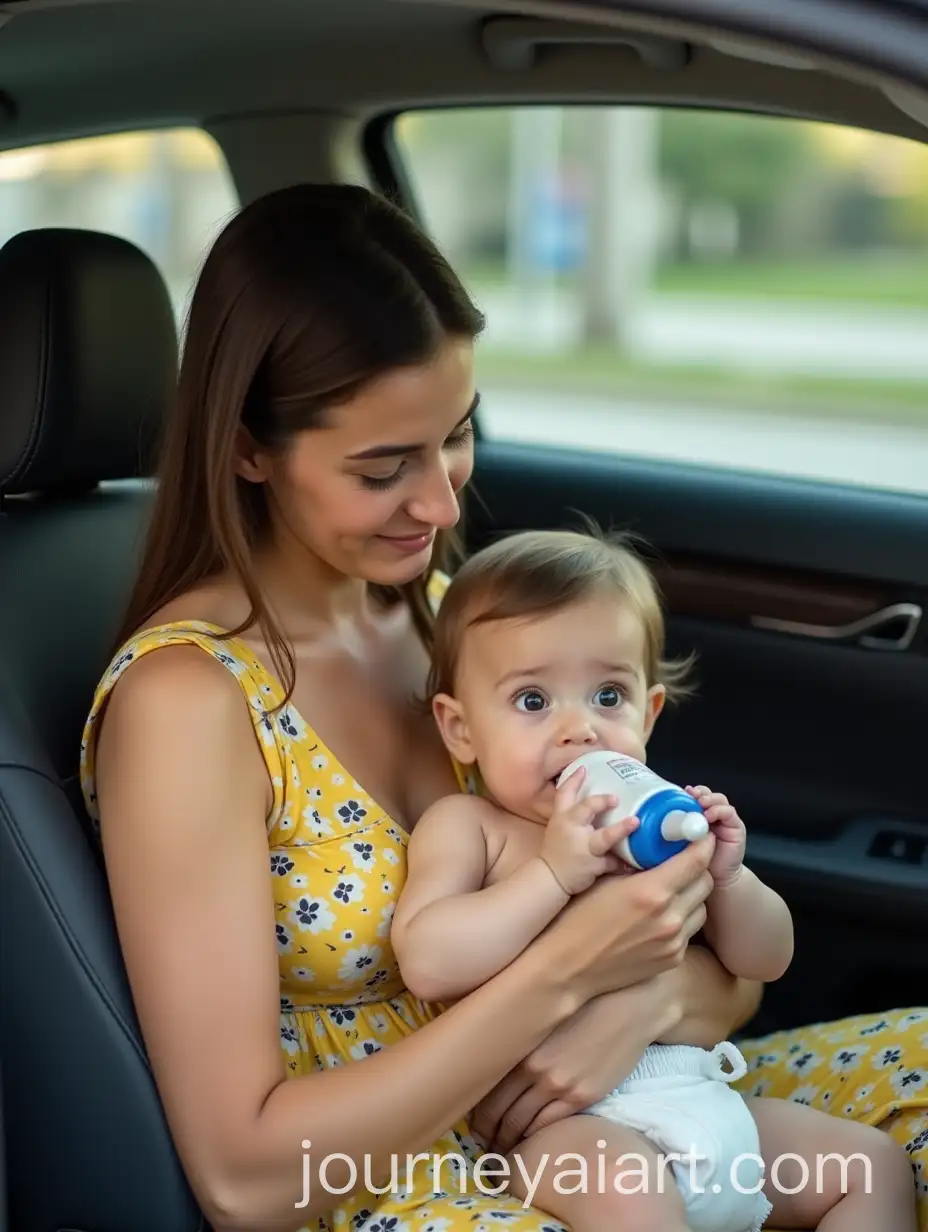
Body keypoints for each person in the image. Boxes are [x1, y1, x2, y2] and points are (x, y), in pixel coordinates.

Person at [77, 183, 927, 1232]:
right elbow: (248, 1176)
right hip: (390, 1178)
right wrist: (572, 976)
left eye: (456, 436)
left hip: (623, 1091)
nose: (440, 503)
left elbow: (710, 963)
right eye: (383, 467)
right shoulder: (189, 702)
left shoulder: (448, 615)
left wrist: (638, 1008)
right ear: (250, 449)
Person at [391, 528, 920, 1232]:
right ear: (460, 729)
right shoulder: (473, 828)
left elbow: (766, 959)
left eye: (608, 695)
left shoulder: (660, 823)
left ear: (650, 712)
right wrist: (551, 874)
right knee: (632, 1196)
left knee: (869, 1166)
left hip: (700, 1097)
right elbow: (429, 961)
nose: (579, 729)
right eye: (532, 702)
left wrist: (730, 881)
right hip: (566, 1132)